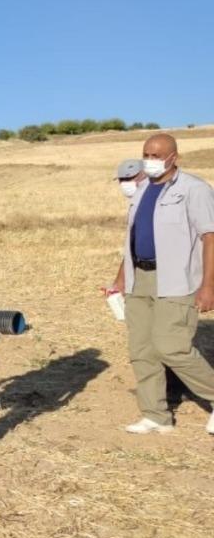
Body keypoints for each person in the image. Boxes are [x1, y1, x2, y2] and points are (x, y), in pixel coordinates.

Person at [107, 133, 214, 435]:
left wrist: (209, 286)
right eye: (147, 155)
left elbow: (210, 237)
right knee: (142, 349)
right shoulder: (141, 191)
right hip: (140, 279)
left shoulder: (194, 190)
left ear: (173, 157)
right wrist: (120, 279)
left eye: (157, 155)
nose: (150, 160)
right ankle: (156, 415)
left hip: (177, 279)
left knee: (172, 346)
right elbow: (134, 239)